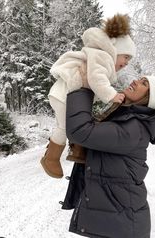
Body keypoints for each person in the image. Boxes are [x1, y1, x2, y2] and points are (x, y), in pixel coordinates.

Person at [61, 73, 155, 238]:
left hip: (123, 225)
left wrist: (82, 87)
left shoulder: (134, 129)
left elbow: (81, 131)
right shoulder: (127, 118)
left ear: (149, 98)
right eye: (140, 78)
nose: (135, 81)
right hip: (118, 219)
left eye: (144, 83)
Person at [40, 14, 136, 179]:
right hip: (64, 94)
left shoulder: (99, 57)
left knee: (80, 121)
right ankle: (51, 158)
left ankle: (77, 152)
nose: (126, 63)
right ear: (116, 51)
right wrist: (112, 95)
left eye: (129, 60)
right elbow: (96, 78)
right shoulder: (103, 57)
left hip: (66, 94)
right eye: (126, 57)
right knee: (65, 127)